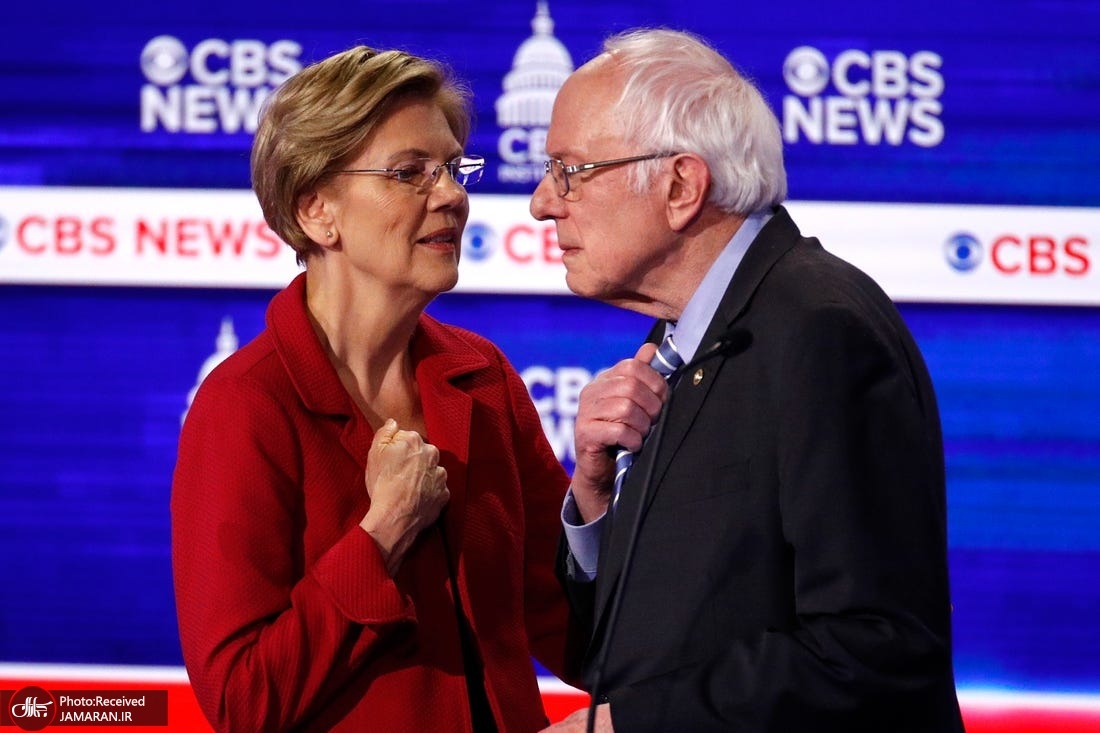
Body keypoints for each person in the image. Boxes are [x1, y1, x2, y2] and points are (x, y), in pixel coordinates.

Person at [530, 29, 965, 732]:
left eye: (570, 170)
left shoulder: (820, 331)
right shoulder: (680, 338)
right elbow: (628, 649)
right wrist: (595, 495)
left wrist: (626, 727)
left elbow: (873, 648)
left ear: (680, 186)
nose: (542, 202)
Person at [172, 45, 580, 732]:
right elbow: (244, 701)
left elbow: (570, 624)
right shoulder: (244, 405)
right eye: (409, 173)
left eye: (452, 168)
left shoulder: (483, 377)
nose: (451, 195)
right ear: (317, 211)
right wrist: (382, 532)